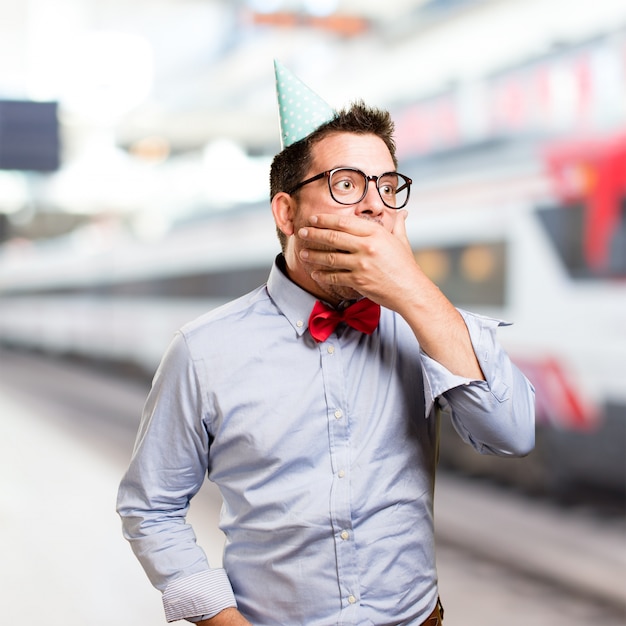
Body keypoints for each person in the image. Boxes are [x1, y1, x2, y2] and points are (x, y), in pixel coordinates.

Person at [116, 61, 535, 626]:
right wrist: (220, 617)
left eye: (388, 187)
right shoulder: (202, 351)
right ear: (287, 212)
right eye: (346, 184)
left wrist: (413, 290)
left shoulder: (428, 323)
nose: (373, 205)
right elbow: (151, 508)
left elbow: (512, 435)